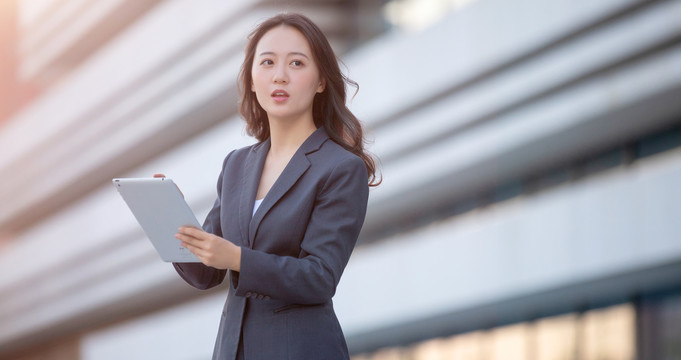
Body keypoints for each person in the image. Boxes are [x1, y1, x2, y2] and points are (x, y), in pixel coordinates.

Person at [163, 13, 379, 360]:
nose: (280, 75)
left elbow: (318, 277)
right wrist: (169, 220)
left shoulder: (340, 168)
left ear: (321, 81)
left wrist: (236, 257)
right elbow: (205, 272)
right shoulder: (237, 164)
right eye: (267, 62)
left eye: (296, 63)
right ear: (251, 79)